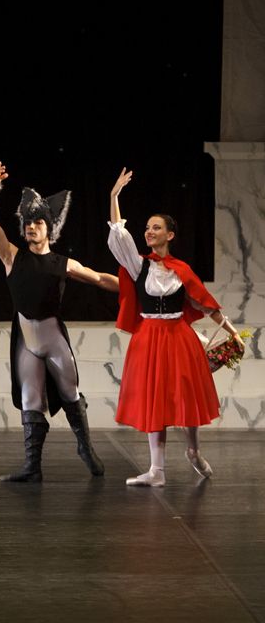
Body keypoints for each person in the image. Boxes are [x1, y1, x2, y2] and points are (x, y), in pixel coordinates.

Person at [0, 162, 118, 482]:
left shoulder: (62, 263)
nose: (31, 226)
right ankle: (32, 466)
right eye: (28, 222)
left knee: (70, 393)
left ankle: (85, 449)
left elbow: (98, 278)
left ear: (50, 227)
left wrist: (134, 287)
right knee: (31, 399)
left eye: (38, 221)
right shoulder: (12, 256)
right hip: (27, 340)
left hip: (53, 338)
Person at [108, 168, 243, 486]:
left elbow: (204, 303)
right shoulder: (138, 265)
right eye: (147, 228)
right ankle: (157, 471)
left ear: (170, 234)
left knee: (185, 395)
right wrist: (114, 196)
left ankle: (193, 452)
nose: (148, 232)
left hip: (179, 337)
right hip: (149, 337)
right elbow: (118, 235)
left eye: (156, 228)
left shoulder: (181, 270)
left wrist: (233, 332)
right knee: (155, 398)